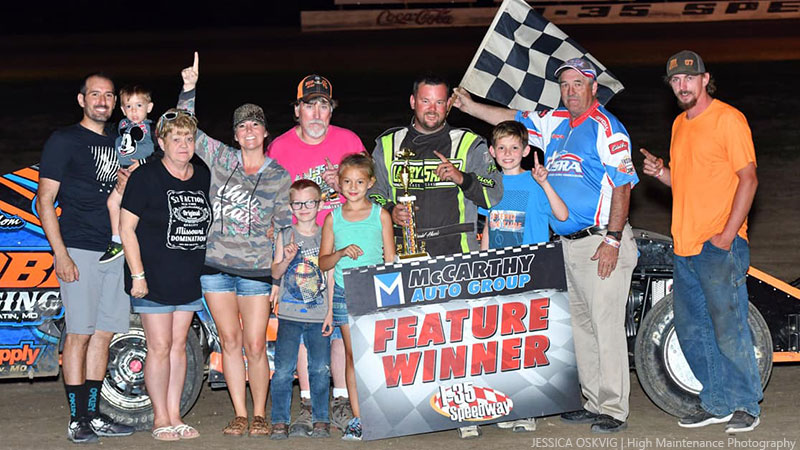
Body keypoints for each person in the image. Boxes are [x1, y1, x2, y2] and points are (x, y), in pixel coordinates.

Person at [454, 57, 639, 433]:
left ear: (593, 88)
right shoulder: (554, 121)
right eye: (565, 84)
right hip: (566, 245)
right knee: (582, 327)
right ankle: (592, 400)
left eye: (578, 84)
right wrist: (470, 106)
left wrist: (614, 239)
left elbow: (622, 184)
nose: (571, 91)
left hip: (601, 240)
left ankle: (614, 407)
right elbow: (511, 118)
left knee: (605, 326)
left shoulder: (608, 128)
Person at [369, 73, 503, 439]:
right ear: (413, 102)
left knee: (461, 334)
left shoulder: (469, 142)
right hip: (405, 253)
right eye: (425, 101)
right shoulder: (387, 143)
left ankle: (466, 407)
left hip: (456, 250)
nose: (432, 108)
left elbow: (496, 194)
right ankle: (415, 410)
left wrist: (463, 179)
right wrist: (391, 208)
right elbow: (372, 193)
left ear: (449, 104)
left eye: (440, 102)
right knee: (412, 336)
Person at [640, 50, 762, 433]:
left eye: (689, 78)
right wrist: (663, 173)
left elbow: (749, 179)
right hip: (685, 246)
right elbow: (688, 184)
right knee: (693, 331)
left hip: (718, 246)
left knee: (730, 328)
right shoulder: (679, 125)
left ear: (705, 79)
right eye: (675, 81)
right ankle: (717, 402)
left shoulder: (728, 119)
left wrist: (727, 236)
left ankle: (746, 405)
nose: (682, 86)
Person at [179, 52, 292, 436]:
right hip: (215, 268)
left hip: (257, 272)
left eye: (255, 125)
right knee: (229, 341)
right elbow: (186, 131)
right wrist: (189, 89)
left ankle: (260, 412)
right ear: (235, 134)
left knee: (255, 344)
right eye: (242, 126)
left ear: (265, 133)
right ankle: (239, 412)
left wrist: (279, 278)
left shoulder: (279, 174)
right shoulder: (222, 159)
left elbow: (285, 227)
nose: (248, 132)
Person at [37, 73, 135, 443]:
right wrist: (60, 253)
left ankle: (94, 415)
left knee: (104, 334)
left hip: (115, 250)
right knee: (79, 333)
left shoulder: (121, 142)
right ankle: (77, 418)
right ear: (82, 100)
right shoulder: (64, 141)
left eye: (109, 95)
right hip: (78, 247)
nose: (102, 101)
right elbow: (45, 200)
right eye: (95, 94)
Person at [268, 74, 365, 434]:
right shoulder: (279, 147)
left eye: (323, 104)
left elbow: (370, 188)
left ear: (330, 109)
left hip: (342, 248)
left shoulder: (349, 140)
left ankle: (339, 399)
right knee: (306, 322)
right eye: (309, 104)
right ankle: (309, 402)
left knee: (339, 327)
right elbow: (272, 202)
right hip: (301, 252)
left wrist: (339, 180)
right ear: (297, 110)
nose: (317, 112)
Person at [120, 109, 211, 441]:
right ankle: (160, 417)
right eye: (176, 138)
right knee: (158, 347)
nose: (184, 145)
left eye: (189, 138)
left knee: (178, 347)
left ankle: (176, 414)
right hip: (152, 277)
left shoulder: (202, 175)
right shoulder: (146, 177)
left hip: (188, 276)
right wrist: (138, 275)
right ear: (161, 142)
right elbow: (126, 229)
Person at [319, 153, 396, 441]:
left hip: (375, 293)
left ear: (371, 183)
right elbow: (323, 262)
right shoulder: (333, 218)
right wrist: (339, 253)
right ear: (339, 184)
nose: (353, 187)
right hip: (343, 293)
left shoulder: (381, 215)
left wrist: (390, 300)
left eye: (359, 182)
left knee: (377, 356)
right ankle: (358, 418)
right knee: (354, 357)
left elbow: (390, 260)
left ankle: (384, 412)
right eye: (347, 182)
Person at [269, 180, 334, 440]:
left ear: (319, 204)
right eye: (298, 203)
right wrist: (286, 258)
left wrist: (330, 312)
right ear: (291, 206)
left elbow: (329, 275)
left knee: (320, 368)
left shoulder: (326, 234)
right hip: (289, 314)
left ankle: (321, 419)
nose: (304, 208)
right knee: (283, 370)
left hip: (319, 312)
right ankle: (279, 421)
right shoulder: (284, 234)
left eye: (309, 202)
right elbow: (274, 272)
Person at [480, 120, 568, 251]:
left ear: (525, 150)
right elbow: (488, 227)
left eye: (514, 147)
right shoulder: (490, 184)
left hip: (534, 264)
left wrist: (544, 183)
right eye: (501, 147)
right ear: (492, 151)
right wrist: (484, 261)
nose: (507, 153)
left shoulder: (536, 181)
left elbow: (563, 215)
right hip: (500, 265)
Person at [100, 84, 157, 264]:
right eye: (129, 106)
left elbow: (164, 152)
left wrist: (143, 162)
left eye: (139, 105)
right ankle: (117, 241)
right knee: (112, 202)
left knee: (136, 212)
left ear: (149, 107)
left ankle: (140, 243)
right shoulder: (121, 126)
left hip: (143, 175)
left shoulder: (153, 129)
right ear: (123, 109)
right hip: (124, 174)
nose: (134, 111)